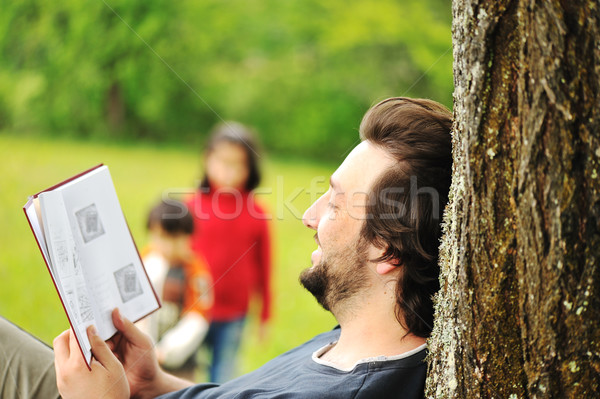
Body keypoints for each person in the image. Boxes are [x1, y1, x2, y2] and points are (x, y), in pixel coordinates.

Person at [1, 97, 452, 398]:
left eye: (335, 203)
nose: (308, 215)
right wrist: (153, 383)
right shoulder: (350, 342)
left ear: (387, 252)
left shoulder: (350, 389)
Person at [186, 122, 272, 383]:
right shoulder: (190, 206)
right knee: (185, 374)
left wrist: (266, 313)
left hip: (234, 312)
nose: (228, 171)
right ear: (207, 159)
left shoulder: (257, 213)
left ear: (250, 167)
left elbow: (265, 266)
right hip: (193, 308)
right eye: (222, 162)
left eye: (238, 164)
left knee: (222, 378)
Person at [136, 199, 214, 381]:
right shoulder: (144, 261)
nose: (169, 247)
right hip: (142, 358)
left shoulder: (195, 271)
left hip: (180, 364)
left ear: (189, 237)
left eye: (177, 239)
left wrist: (167, 351)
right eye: (163, 237)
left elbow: (198, 317)